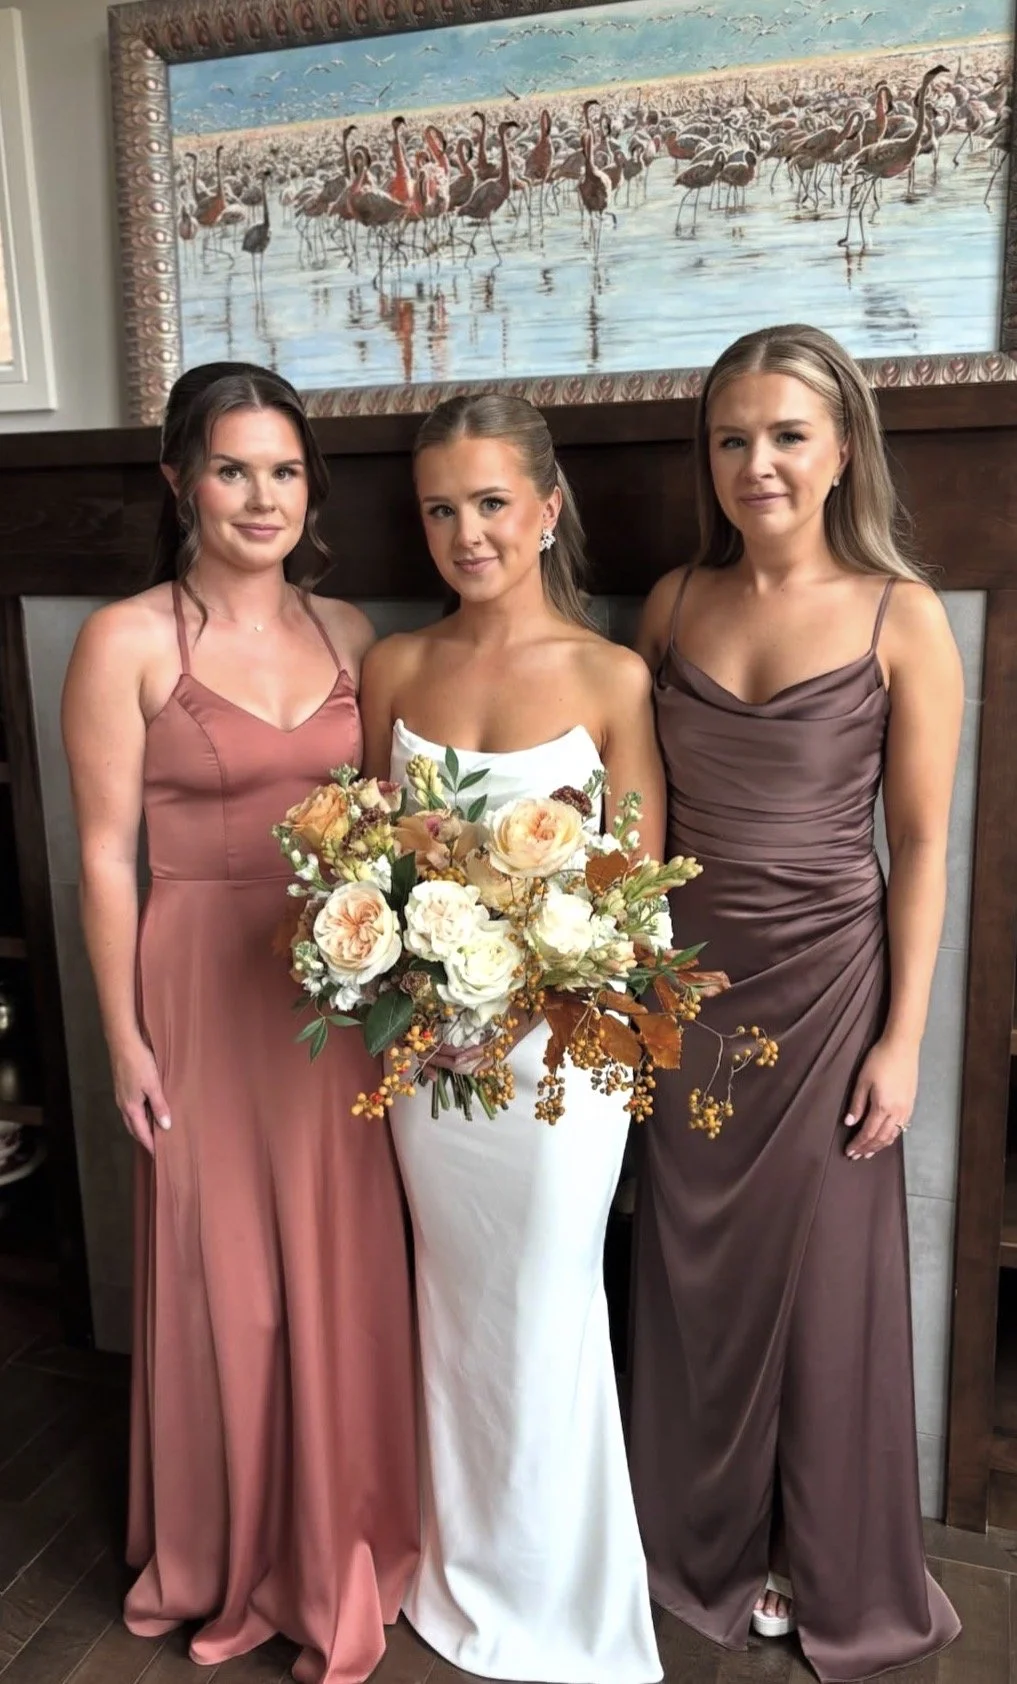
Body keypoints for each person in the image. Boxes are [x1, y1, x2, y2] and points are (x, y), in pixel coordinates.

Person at [62, 364, 418, 1684]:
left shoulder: (353, 632)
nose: (260, 496)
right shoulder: (127, 641)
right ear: (179, 481)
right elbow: (104, 855)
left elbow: (390, 834)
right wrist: (124, 1040)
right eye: (231, 469)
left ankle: (347, 1541)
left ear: (309, 487)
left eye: (283, 470)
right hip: (198, 981)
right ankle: (223, 1552)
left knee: (339, 1267)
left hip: (334, 988)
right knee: (232, 1287)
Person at [628, 323, 962, 1681]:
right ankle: (686, 1546)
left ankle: (817, 1563)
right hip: (688, 995)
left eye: (785, 435)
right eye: (731, 437)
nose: (756, 463)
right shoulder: (665, 606)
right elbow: (634, 825)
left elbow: (927, 844)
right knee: (690, 1277)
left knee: (823, 1295)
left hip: (831, 996)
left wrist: (904, 1041)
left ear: (839, 454)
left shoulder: (901, 614)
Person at [359, 393, 664, 1684]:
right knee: (456, 1304)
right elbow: (370, 872)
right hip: (431, 1063)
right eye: (440, 508)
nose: (466, 532)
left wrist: (541, 986)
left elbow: (640, 887)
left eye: (491, 503)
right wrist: (405, 985)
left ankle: (565, 1598)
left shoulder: (613, 675)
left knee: (546, 1300)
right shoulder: (394, 668)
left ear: (546, 509)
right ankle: (463, 1570)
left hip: (557, 1061)